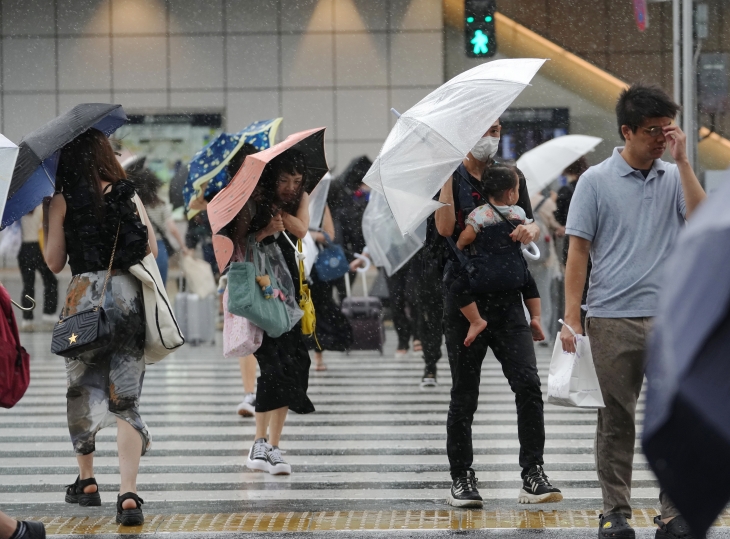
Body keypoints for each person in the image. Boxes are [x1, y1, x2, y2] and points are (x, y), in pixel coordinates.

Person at [560, 84, 705, 539]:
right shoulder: (595, 181)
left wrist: (683, 162)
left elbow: (701, 222)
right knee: (616, 421)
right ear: (626, 131)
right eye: (651, 132)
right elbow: (578, 251)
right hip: (610, 317)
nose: (661, 139)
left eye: (667, 130)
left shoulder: (673, 175)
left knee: (673, 420)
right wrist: (571, 317)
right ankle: (615, 512)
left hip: (669, 317)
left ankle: (674, 511)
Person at [435, 119, 562, 508]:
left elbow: (527, 219)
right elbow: (443, 229)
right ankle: (462, 477)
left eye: (496, 128)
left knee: (528, 385)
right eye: (484, 129)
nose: (491, 136)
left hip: (509, 301)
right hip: (465, 300)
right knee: (465, 394)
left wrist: (532, 230)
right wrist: (444, 172)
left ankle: (533, 472)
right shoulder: (450, 177)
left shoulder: (506, 174)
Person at [43, 128, 157, 526]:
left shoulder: (60, 200)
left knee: (82, 388)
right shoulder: (127, 192)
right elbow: (151, 249)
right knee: (125, 398)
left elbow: (55, 262)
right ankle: (128, 494)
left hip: (82, 300)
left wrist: (52, 218)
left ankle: (88, 481)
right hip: (126, 297)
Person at [229, 150, 315, 475]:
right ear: (272, 178)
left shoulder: (297, 199)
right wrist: (265, 229)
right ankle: (258, 443)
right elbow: (239, 242)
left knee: (292, 368)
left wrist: (282, 216)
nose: (291, 187)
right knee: (272, 367)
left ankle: (275, 447)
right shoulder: (254, 200)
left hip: (289, 288)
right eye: (285, 180)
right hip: (263, 290)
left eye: (296, 181)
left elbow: (302, 229)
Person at [449, 165, 545, 347]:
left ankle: (476, 320)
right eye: (517, 189)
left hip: (485, 272)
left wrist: (460, 245)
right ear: (510, 194)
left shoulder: (478, 214)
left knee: (457, 287)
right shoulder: (518, 212)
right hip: (515, 272)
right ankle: (536, 317)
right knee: (530, 284)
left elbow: (468, 236)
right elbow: (529, 227)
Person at [308, 204, 353, 370]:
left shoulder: (321, 203)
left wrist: (306, 234)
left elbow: (329, 236)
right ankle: (304, 351)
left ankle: (318, 352)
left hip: (317, 267)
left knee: (319, 307)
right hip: (295, 263)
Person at [126, 168, 188, 285]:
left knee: (142, 287)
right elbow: (172, 228)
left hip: (139, 248)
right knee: (159, 285)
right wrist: (183, 246)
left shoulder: (134, 207)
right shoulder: (160, 205)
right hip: (158, 248)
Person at [17, 208, 58, 331]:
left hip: (24, 249)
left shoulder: (19, 209)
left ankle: (27, 319)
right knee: (50, 280)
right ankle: (49, 313)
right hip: (40, 248)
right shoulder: (41, 206)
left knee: (28, 285)